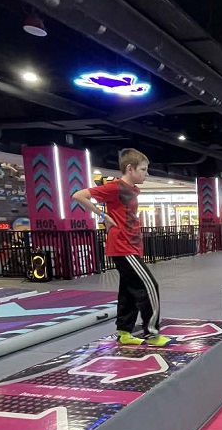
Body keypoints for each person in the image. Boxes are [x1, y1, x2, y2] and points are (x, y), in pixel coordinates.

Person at [72, 148, 169, 347]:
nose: (146, 174)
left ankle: (124, 332)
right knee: (150, 286)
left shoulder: (132, 189)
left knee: (128, 290)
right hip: (123, 246)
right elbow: (79, 195)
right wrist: (103, 215)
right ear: (130, 169)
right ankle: (152, 333)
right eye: (143, 170)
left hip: (131, 245)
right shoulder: (115, 187)